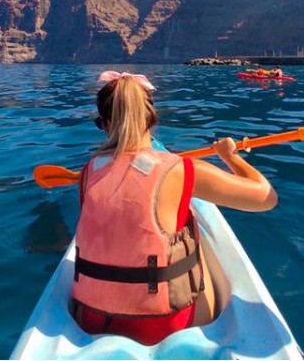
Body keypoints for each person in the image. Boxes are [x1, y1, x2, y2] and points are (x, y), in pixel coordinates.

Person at [69, 70, 278, 345]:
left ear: (105, 124)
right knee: (192, 230)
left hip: (93, 320)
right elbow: (266, 197)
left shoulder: (87, 174)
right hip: (164, 325)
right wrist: (230, 157)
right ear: (152, 120)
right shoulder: (181, 170)